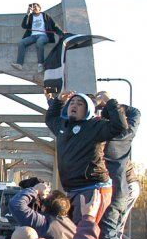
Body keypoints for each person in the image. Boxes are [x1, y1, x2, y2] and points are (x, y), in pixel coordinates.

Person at [45, 90, 126, 223]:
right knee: (74, 233)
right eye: (72, 103)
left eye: (80, 104)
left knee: (83, 231)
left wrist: (111, 102)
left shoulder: (95, 126)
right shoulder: (63, 127)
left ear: (88, 109)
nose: (74, 106)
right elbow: (50, 118)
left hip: (92, 188)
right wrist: (59, 100)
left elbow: (120, 126)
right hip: (72, 190)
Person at [94, 91, 140, 239]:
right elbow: (135, 112)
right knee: (113, 231)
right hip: (124, 185)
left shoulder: (116, 135)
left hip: (122, 187)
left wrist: (109, 104)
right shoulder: (126, 130)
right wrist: (109, 103)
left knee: (110, 229)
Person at [8, 182, 76, 239]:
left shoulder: (44, 223)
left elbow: (16, 204)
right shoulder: (73, 227)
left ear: (43, 208)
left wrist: (36, 189)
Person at [11, 3, 63, 72]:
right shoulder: (30, 16)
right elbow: (24, 26)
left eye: (35, 7)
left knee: (39, 42)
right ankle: (19, 64)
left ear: (39, 8)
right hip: (32, 36)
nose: (34, 8)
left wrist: (61, 33)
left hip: (43, 35)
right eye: (32, 7)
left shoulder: (45, 16)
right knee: (21, 43)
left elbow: (54, 26)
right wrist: (27, 14)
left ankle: (40, 64)